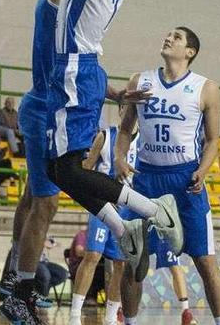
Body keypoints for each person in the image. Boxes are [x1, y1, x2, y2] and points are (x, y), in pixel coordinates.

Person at [0, 0, 159, 324]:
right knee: (41, 201)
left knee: (40, 200)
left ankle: (19, 285)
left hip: (56, 96)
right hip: (51, 97)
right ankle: (20, 285)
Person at [115, 27, 220, 325]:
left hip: (184, 181)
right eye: (167, 34)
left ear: (190, 51)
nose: (168, 38)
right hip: (145, 179)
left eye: (177, 37)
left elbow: (214, 140)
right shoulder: (140, 80)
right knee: (135, 260)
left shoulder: (206, 88)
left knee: (205, 261)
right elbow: (126, 128)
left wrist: (203, 170)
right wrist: (119, 156)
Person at [68, 126, 135, 325]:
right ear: (121, 108)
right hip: (102, 205)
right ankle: (74, 315)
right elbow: (85, 169)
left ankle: (111, 317)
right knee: (92, 256)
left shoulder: (145, 141)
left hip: (127, 208)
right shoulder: (105, 136)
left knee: (121, 264)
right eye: (124, 106)